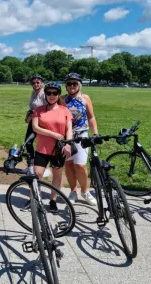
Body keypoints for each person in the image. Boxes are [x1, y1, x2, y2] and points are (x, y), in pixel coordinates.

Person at [32, 82, 74, 211]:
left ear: (58, 94)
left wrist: (68, 144)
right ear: (45, 94)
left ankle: (53, 200)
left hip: (58, 149)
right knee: (37, 173)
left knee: (57, 174)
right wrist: (53, 134)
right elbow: (35, 127)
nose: (51, 95)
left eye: (54, 93)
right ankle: (34, 198)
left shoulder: (64, 110)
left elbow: (69, 129)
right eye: (49, 93)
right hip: (42, 148)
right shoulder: (39, 110)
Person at [62, 73, 98, 205]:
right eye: (69, 84)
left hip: (82, 135)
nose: (72, 86)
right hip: (67, 137)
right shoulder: (62, 99)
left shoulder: (85, 98)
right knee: (69, 165)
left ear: (79, 85)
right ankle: (73, 191)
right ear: (66, 86)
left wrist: (95, 133)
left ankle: (85, 191)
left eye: (74, 83)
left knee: (80, 165)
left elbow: (91, 116)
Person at [23, 74, 47, 174]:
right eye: (33, 83)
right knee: (28, 142)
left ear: (41, 82)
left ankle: (42, 168)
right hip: (33, 120)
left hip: (43, 122)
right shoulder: (34, 93)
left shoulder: (45, 94)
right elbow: (32, 107)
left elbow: (49, 108)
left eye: (37, 82)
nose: (36, 84)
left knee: (42, 145)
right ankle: (31, 165)